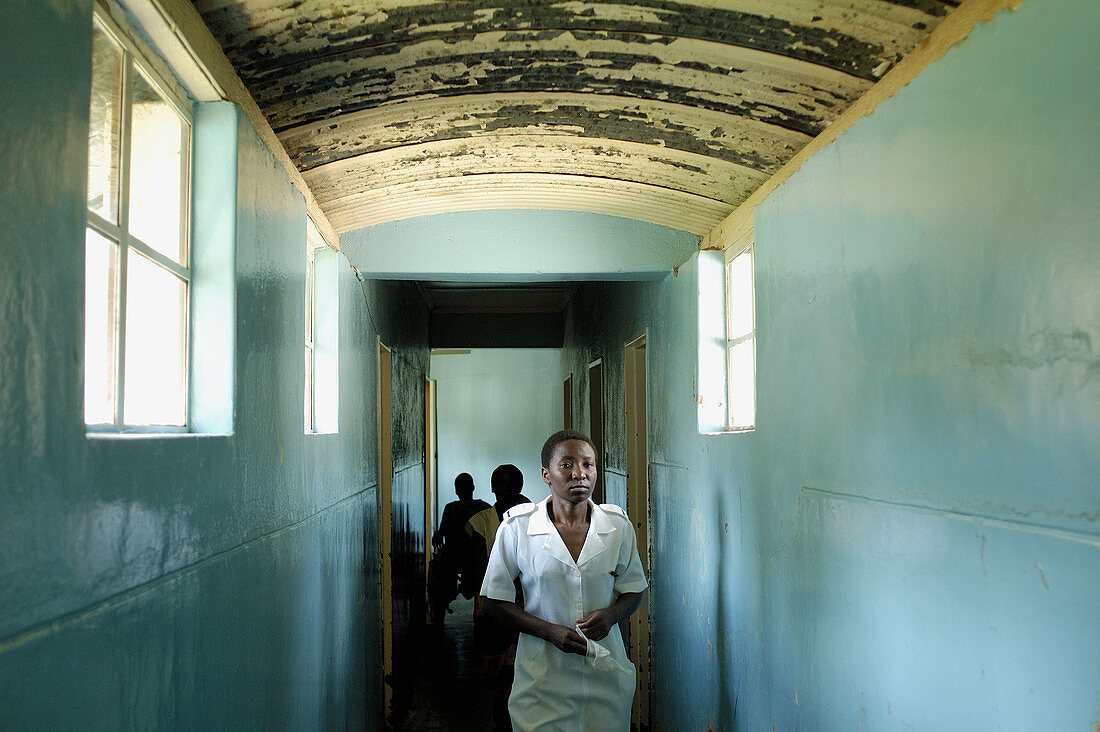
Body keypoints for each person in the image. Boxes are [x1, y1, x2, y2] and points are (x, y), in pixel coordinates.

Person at [480, 430, 648, 731]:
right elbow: (493, 599)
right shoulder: (517, 527)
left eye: (588, 464)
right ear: (546, 474)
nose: (579, 474)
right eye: (567, 465)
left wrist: (610, 617)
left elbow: (634, 589)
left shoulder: (617, 526)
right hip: (543, 678)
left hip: (604, 673)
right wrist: (548, 631)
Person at [465, 464, 531, 731]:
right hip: (495, 609)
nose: (504, 491)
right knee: (500, 677)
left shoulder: (533, 518)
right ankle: (505, 722)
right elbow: (479, 570)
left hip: (519, 608)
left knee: (514, 675)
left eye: (510, 486)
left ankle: (510, 722)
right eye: (501, 485)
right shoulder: (480, 523)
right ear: (492, 488)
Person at [429, 472, 490, 624]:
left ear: (456, 490)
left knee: (440, 566)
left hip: (454, 559)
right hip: (478, 560)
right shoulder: (484, 508)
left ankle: (443, 603)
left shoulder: (451, 508)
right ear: (473, 488)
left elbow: (440, 535)